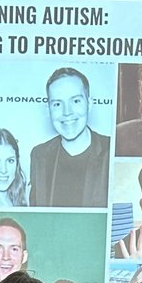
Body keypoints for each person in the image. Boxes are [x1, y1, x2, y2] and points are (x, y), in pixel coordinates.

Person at [29, 67, 111, 207]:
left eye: (76, 101)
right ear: (49, 110)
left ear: (89, 104)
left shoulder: (111, 150)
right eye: (57, 104)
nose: (67, 112)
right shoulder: (39, 155)